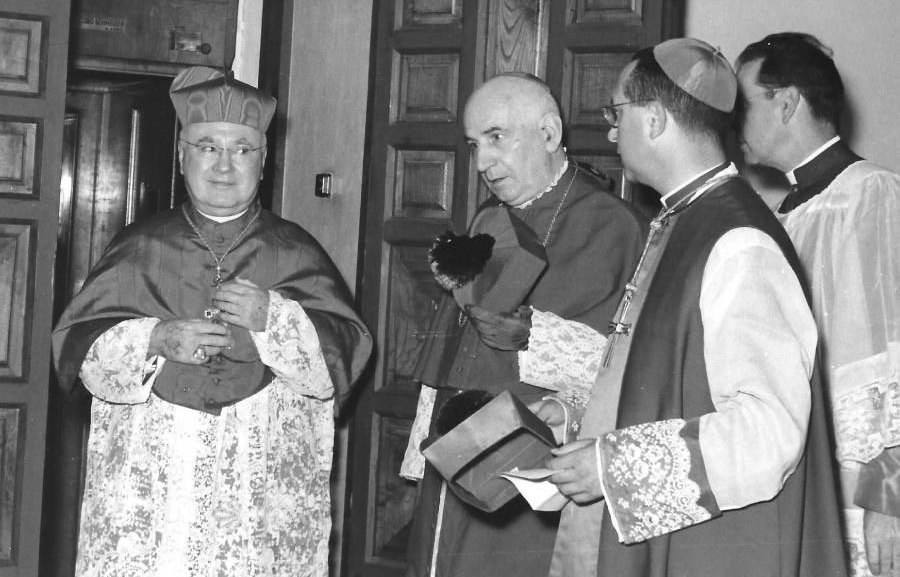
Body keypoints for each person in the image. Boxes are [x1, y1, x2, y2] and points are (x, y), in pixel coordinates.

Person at [538, 38, 847, 577]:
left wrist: (617, 467)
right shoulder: (682, 220)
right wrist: (577, 417)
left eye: (618, 112)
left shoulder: (738, 241)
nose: (611, 132)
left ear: (655, 119)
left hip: (712, 551)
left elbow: (768, 430)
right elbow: (666, 379)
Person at [52, 67, 372, 577]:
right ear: (182, 156)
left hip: (259, 480)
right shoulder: (140, 246)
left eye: (242, 150)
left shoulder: (294, 250)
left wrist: (275, 318)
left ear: (263, 161)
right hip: (154, 481)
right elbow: (78, 349)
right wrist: (156, 336)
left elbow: (345, 353)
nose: (225, 166)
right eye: (207, 147)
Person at [400, 73, 648, 577]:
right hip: (459, 447)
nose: (483, 162)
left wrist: (533, 337)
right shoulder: (489, 218)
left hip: (536, 461)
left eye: (496, 138)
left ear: (550, 134)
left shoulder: (612, 224)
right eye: (474, 145)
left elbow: (626, 364)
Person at [735, 32, 900, 577]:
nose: (735, 121)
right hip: (811, 480)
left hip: (870, 497)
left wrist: (891, 497)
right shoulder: (787, 212)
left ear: (786, 102)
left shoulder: (873, 195)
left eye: (745, 102)